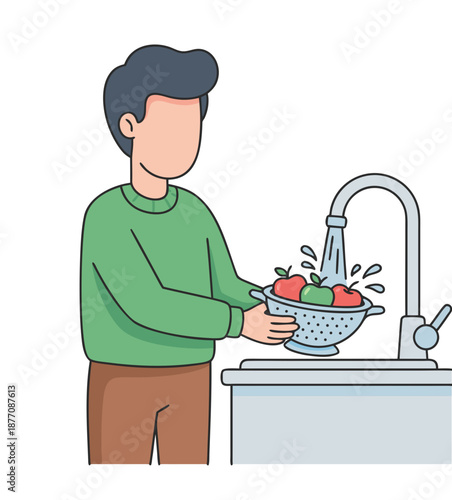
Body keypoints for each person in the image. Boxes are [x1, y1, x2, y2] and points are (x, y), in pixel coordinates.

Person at [80, 45, 298, 465]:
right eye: (170, 128)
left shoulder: (194, 210)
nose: (185, 143)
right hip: (123, 378)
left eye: (192, 128)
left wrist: (279, 303)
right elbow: (146, 302)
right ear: (130, 125)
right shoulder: (106, 216)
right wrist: (239, 323)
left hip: (193, 376)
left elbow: (227, 285)